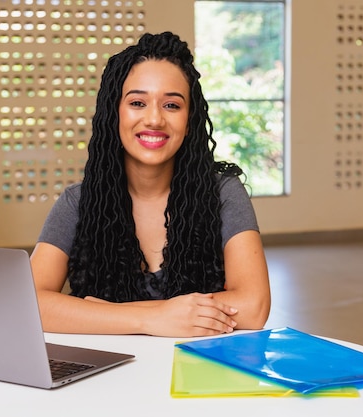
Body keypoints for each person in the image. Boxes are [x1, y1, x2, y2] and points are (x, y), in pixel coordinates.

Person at [30, 31, 270, 338]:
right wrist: (152, 319)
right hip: (108, 376)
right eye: (138, 102)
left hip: (198, 370)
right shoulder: (79, 202)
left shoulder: (223, 193)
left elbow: (253, 306)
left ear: (190, 118)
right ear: (113, 111)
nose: (154, 119)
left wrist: (99, 314)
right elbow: (30, 304)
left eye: (172, 105)